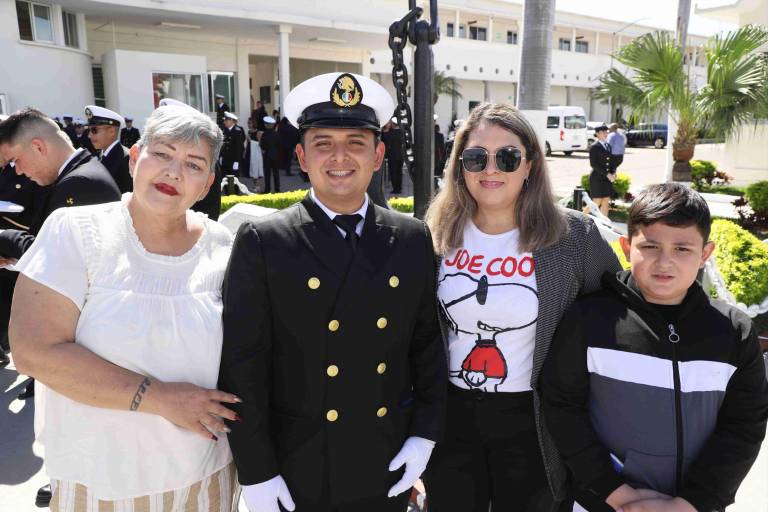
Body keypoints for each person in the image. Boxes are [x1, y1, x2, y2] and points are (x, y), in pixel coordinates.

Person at [218, 72, 447, 512]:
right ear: (302, 157)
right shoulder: (266, 242)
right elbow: (243, 367)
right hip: (298, 465)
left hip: (386, 458)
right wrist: (256, 471)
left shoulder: (412, 237)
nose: (340, 157)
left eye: (356, 143)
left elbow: (427, 346)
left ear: (378, 155)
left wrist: (424, 434)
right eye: (323, 143)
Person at [9, 105, 241, 512]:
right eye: (163, 154)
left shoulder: (224, 247)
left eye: (193, 164)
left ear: (207, 185)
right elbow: (34, 351)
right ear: (135, 158)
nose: (173, 172)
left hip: (206, 479)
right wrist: (162, 399)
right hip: (103, 483)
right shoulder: (76, 231)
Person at [422, 102, 621, 512]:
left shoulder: (573, 238)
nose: (490, 169)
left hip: (536, 422)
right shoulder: (436, 234)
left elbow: (619, 312)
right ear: (460, 165)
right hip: (452, 419)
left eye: (508, 157)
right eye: (476, 157)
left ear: (530, 165)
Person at [541, 183, 768, 512]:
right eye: (650, 246)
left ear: (705, 253)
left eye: (682, 249)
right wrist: (617, 493)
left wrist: (692, 503)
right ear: (625, 245)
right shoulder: (589, 320)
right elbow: (561, 407)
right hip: (602, 503)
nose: (665, 262)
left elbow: (743, 427)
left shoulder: (733, 332)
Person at [0, 108, 121, 505]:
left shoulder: (81, 185)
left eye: (17, 161)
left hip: (86, 329)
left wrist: (3, 240)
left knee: (82, 416)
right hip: (78, 322)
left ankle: (81, 485)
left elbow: (47, 252)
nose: (17, 172)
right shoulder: (77, 175)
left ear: (38, 145)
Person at [85, 105, 132, 193]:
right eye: (89, 130)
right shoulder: (101, 155)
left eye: (94, 130)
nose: (89, 135)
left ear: (112, 131)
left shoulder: (126, 159)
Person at [588, 124, 614, 217]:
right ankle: (582, 218)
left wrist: (613, 172)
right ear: (597, 134)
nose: (605, 134)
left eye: (606, 132)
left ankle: (604, 224)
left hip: (606, 179)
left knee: (606, 201)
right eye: (603, 132)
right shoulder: (594, 147)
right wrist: (607, 174)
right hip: (597, 178)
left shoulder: (608, 146)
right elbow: (593, 164)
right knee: (596, 202)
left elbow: (610, 162)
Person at [219, 112, 246, 178]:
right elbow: (223, 145)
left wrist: (237, 161)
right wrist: (221, 156)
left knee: (233, 182)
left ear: (231, 121)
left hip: (233, 161)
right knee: (224, 181)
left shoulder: (238, 131)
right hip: (225, 160)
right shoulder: (224, 131)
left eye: (226, 120)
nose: (224, 122)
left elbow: (240, 148)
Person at [381, 118, 404, 194]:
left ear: (393, 124)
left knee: (393, 173)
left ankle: (395, 189)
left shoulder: (390, 133)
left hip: (392, 156)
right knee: (399, 173)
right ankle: (399, 188)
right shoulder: (401, 132)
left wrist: (385, 130)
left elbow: (385, 141)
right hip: (400, 156)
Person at [258, 115, 280, 193]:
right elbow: (279, 144)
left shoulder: (264, 134)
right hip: (276, 156)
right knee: (276, 174)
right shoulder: (277, 134)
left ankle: (267, 190)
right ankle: (277, 190)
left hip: (267, 156)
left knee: (267, 174)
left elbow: (262, 146)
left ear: (266, 125)